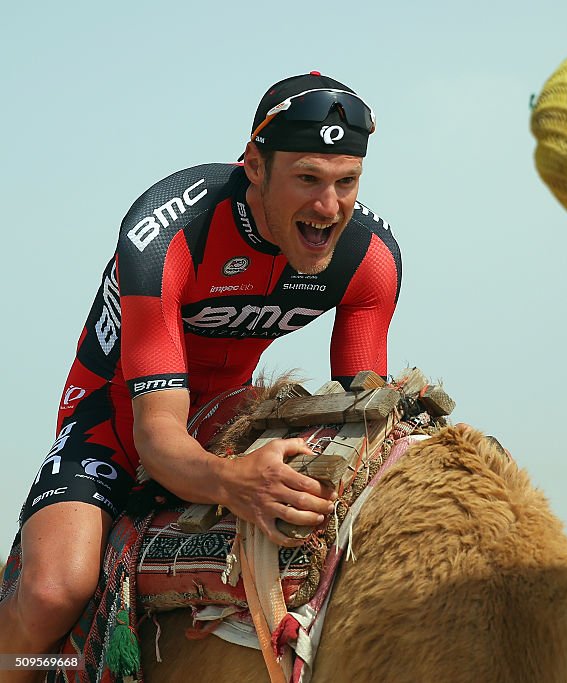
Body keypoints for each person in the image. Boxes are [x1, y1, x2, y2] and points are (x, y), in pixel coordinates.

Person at [0, 71, 401, 673]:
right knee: (55, 591)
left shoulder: (369, 259)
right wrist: (234, 483)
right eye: (308, 179)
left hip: (228, 414)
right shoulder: (167, 234)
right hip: (115, 419)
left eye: (347, 182)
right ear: (255, 166)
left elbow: (362, 413)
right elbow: (157, 440)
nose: (328, 207)